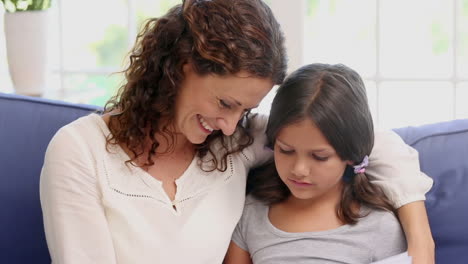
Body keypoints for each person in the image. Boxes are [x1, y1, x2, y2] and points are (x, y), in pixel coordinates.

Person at [39, 0, 433, 263]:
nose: (230, 124)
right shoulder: (81, 151)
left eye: (247, 110)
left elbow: (360, 141)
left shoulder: (235, 144)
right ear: (180, 67)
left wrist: (420, 240)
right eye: (225, 103)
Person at [224, 63, 414, 264]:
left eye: (319, 157)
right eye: (286, 150)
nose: (299, 169)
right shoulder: (254, 213)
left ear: (350, 154)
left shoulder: (379, 226)